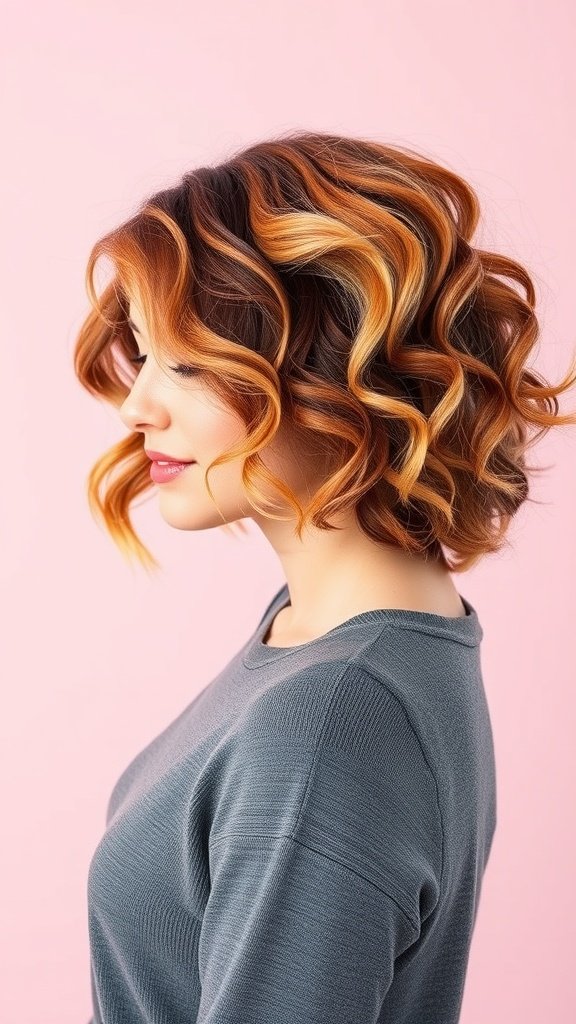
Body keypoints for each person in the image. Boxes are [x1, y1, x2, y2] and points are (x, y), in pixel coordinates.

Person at [74, 130, 576, 1024]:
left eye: (186, 363)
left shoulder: (332, 718)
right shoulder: (339, 638)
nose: (137, 403)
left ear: (331, 369)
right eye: (146, 354)